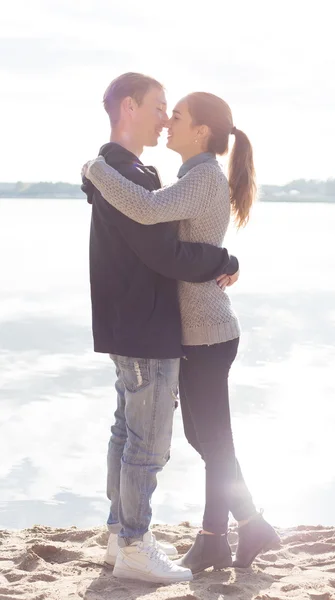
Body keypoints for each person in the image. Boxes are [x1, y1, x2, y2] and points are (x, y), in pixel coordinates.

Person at [83, 91, 281, 574]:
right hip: (198, 331)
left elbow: (147, 211)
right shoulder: (193, 175)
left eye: (178, 116)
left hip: (208, 331)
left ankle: (222, 535)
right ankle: (244, 527)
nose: (169, 122)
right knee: (206, 438)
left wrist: (96, 170)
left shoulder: (203, 175)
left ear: (201, 132)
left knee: (213, 441)